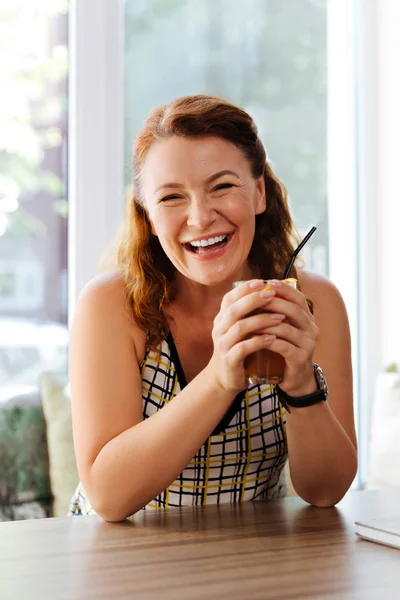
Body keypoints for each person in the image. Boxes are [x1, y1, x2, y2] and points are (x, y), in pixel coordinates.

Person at [68, 94, 357, 521]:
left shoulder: (313, 303)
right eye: (171, 198)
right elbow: (108, 497)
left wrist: (300, 384)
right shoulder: (111, 306)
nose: (201, 218)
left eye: (222, 186)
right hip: (119, 567)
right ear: (146, 215)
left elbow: (325, 490)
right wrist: (220, 378)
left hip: (255, 562)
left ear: (259, 192)